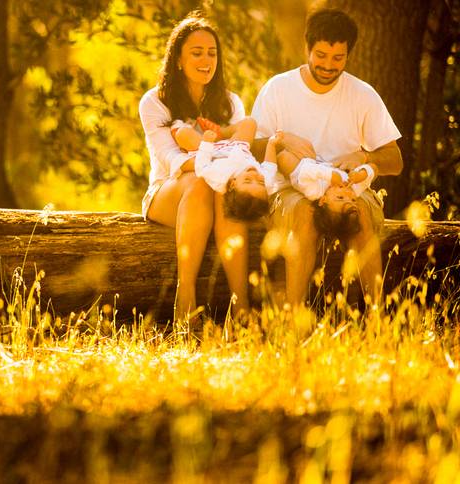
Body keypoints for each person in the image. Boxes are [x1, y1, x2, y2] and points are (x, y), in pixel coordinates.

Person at [251, 8, 403, 306]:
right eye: (320, 55)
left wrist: (364, 154)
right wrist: (282, 140)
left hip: (348, 188)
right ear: (307, 47)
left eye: (338, 58)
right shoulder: (278, 89)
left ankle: (377, 320)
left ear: (349, 55)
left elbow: (395, 160)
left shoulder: (363, 94)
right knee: (305, 212)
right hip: (290, 190)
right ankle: (296, 320)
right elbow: (253, 148)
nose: (328, 66)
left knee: (357, 210)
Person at [139, 13, 252, 321]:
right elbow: (171, 159)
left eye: (212, 53)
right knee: (205, 182)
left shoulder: (230, 103)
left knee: (221, 187)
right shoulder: (154, 102)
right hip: (165, 193)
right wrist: (213, 161)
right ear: (177, 59)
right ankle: (185, 297)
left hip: (216, 189)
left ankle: (241, 306)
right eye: (197, 52)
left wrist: (210, 160)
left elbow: (239, 153)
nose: (206, 60)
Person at [171, 117, 282, 221]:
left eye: (247, 180)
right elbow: (270, 165)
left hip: (213, 153)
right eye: (261, 182)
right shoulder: (268, 182)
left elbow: (202, 167)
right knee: (250, 123)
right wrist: (271, 144)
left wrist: (206, 143)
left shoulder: (219, 178)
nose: (255, 176)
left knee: (182, 133)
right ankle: (221, 133)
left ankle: (186, 128)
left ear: (233, 184)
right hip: (238, 147)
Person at [276, 150, 377, 240]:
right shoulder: (353, 188)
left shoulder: (315, 191)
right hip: (319, 161)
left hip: (301, 167)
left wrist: (329, 175)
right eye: (353, 200)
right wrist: (361, 175)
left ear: (323, 200)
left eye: (340, 198)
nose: (348, 193)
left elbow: (305, 172)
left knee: (284, 159)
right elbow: (374, 169)